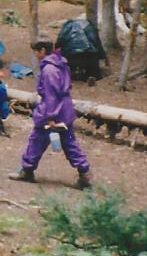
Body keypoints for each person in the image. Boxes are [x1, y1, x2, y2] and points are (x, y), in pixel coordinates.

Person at [9, 40, 93, 189]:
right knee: (69, 142)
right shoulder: (60, 64)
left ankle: (27, 170)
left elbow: (51, 95)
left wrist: (51, 117)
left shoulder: (49, 70)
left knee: (37, 140)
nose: (35, 54)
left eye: (36, 51)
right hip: (65, 109)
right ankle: (84, 173)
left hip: (53, 110)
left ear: (42, 50)